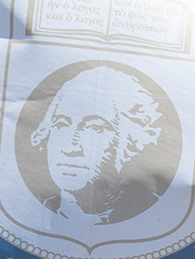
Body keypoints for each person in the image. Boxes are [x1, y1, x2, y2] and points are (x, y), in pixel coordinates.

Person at [26, 64, 177, 225]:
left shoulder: (163, 219)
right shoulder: (28, 214)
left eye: (95, 128)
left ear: (131, 142)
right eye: (61, 124)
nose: (70, 147)